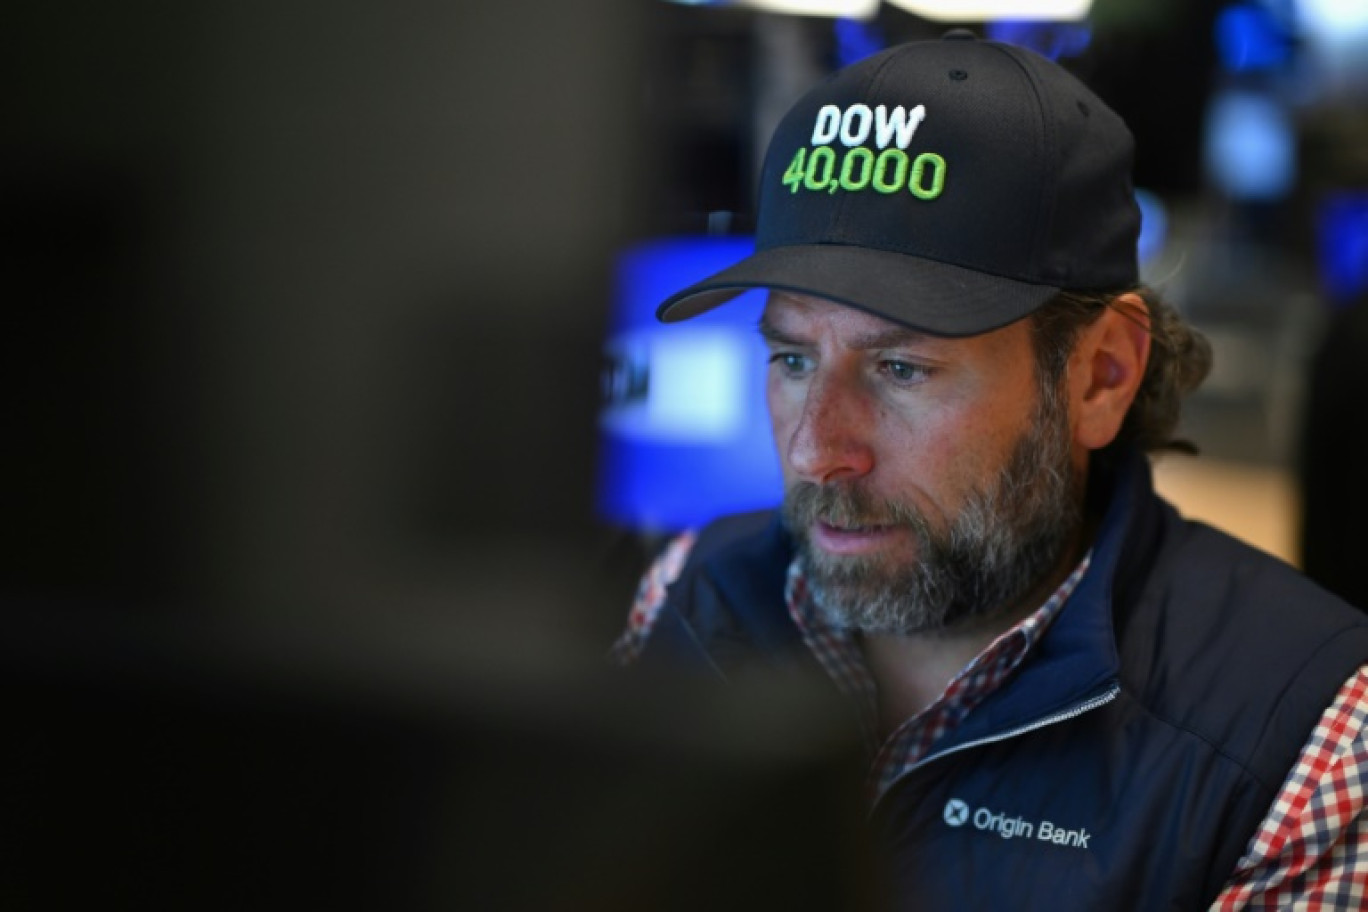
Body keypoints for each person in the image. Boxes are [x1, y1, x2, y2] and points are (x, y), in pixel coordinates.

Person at [611, 31, 1368, 910]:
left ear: (1100, 376)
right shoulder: (684, 594)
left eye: (901, 370)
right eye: (792, 361)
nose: (819, 449)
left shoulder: (1307, 745)